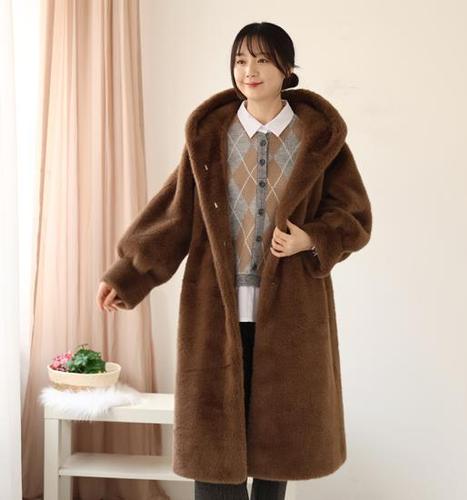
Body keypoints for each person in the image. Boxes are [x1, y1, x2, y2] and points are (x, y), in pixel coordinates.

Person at [97, 21, 372, 500]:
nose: (250, 71)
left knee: (277, 448)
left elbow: (354, 215)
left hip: (292, 312)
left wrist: (312, 239)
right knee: (214, 454)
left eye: (262, 60)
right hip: (216, 308)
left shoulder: (317, 138)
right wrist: (129, 274)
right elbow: (175, 214)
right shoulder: (211, 136)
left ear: (287, 68)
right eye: (241, 60)